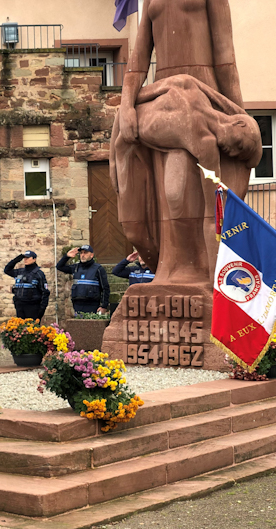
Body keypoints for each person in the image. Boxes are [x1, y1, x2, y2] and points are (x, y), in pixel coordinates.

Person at [112, 0, 254, 284]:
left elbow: (226, 58)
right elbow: (138, 58)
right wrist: (127, 106)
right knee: (154, 210)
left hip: (205, 96)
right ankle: (172, 273)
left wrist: (237, 114)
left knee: (182, 197)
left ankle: (202, 274)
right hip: (164, 102)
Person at [56, 245, 110, 315]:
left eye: (85, 253)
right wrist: (67, 256)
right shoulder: (76, 267)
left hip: (92, 305)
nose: (82, 255)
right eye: (81, 253)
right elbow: (59, 266)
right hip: (78, 305)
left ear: (91, 255)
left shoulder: (98, 269)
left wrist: (103, 306)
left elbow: (105, 288)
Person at [3, 250, 50, 320]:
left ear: (34, 259)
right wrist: (17, 259)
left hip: (33, 306)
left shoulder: (39, 274)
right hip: (20, 305)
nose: (25, 259)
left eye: (28, 258)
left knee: (32, 329)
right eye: (24, 258)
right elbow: (7, 270)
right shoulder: (20, 272)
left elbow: (45, 292)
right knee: (21, 329)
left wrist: (42, 309)